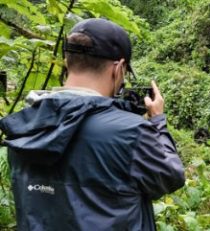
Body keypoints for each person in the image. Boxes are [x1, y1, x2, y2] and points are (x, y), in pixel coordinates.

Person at [0, 18, 185, 230]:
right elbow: (170, 176)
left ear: (67, 61)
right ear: (118, 69)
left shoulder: (23, 125)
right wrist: (158, 122)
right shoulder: (131, 132)